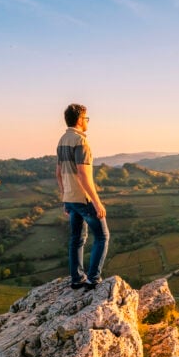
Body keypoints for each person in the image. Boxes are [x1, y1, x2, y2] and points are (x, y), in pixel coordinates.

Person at [56, 103, 108, 290]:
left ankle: (76, 279)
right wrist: (97, 202)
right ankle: (93, 279)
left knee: (77, 238)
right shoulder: (81, 142)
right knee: (102, 237)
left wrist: (65, 197)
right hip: (83, 199)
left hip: (70, 198)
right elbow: (83, 174)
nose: (87, 122)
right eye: (86, 118)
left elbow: (59, 172)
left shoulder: (62, 140)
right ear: (79, 120)